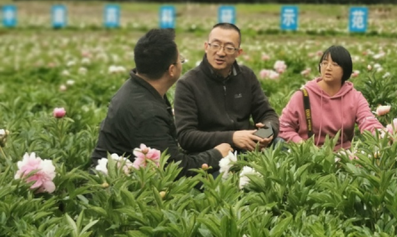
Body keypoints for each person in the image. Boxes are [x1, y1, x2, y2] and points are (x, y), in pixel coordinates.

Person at [91, 29, 232, 176]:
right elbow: (175, 168)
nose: (181, 63)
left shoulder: (136, 87)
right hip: (114, 184)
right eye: (180, 60)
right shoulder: (146, 112)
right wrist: (217, 154)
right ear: (171, 70)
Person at [174, 23, 279, 153]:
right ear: (206, 47)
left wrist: (266, 133)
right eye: (216, 45)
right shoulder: (188, 84)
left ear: (238, 52)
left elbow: (267, 114)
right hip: (212, 154)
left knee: (281, 145)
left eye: (229, 48)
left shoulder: (246, 76)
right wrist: (232, 138)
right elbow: (186, 136)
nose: (221, 52)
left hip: (249, 145)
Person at [279, 45, 384, 150]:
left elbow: (368, 121)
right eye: (324, 63)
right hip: (310, 156)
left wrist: (384, 136)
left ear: (345, 69)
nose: (328, 68)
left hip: (344, 157)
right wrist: (304, 146)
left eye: (335, 64)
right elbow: (284, 126)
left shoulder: (355, 97)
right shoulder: (303, 95)